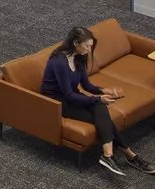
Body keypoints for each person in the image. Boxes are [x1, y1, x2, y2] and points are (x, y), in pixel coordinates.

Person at [44, 24, 145, 175]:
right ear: (75, 43)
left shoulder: (79, 58)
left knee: (100, 110)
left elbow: (86, 85)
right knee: (101, 112)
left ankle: (109, 156)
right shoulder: (59, 62)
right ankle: (129, 155)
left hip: (73, 96)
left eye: (90, 46)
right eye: (86, 46)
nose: (89, 50)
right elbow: (68, 95)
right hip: (58, 102)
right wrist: (97, 99)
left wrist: (103, 91)